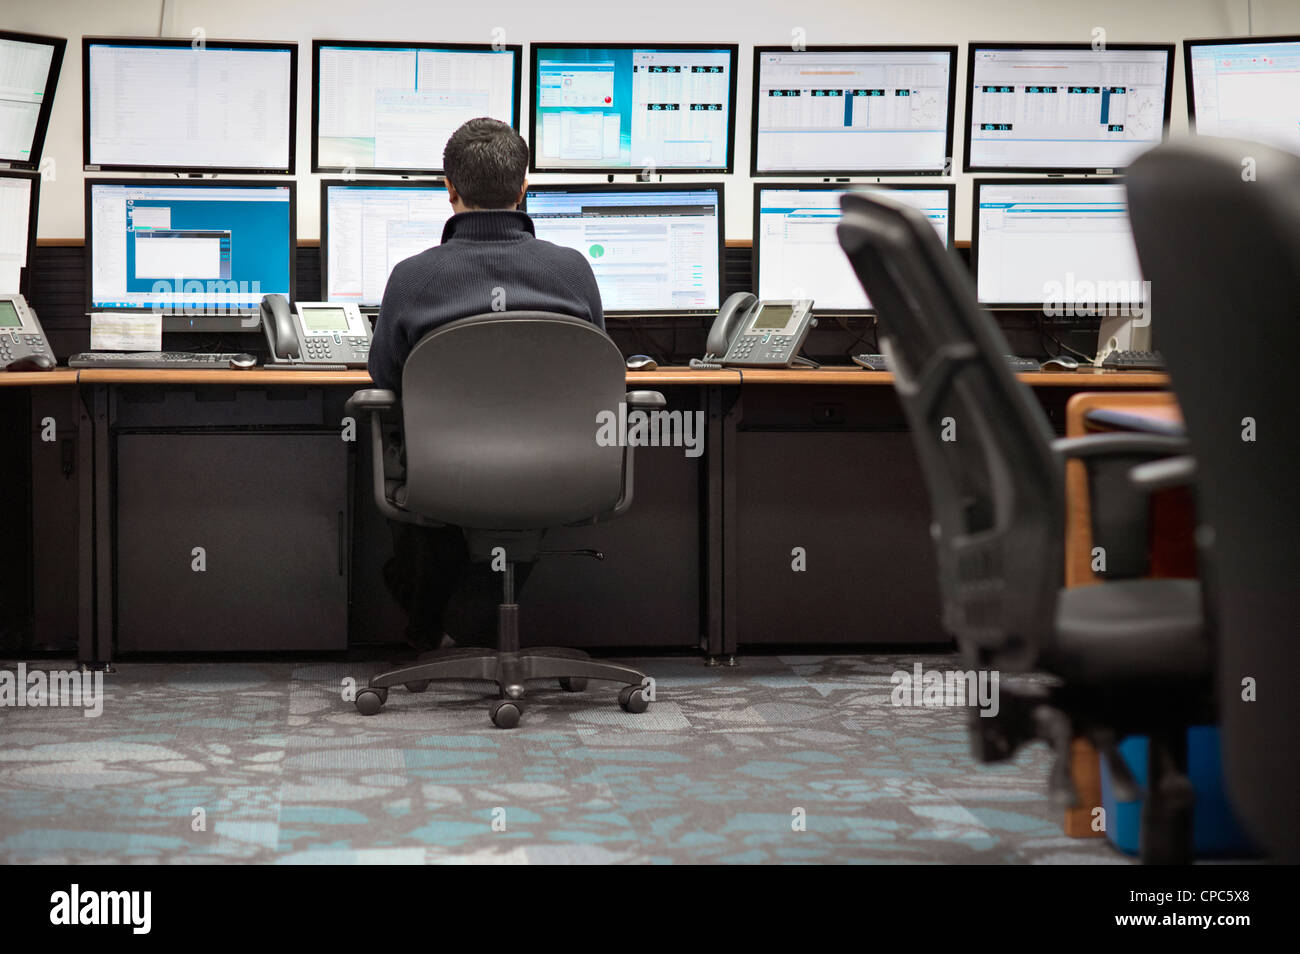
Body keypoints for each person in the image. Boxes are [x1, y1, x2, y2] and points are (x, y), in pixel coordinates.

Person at [367, 117, 606, 651]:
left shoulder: (411, 277)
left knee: (411, 471)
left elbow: (382, 379)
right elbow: (600, 369)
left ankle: (431, 630)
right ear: (524, 189)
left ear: (448, 190)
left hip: (444, 477)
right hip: (564, 471)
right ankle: (464, 626)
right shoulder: (573, 271)